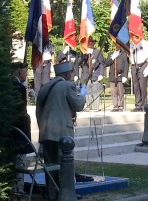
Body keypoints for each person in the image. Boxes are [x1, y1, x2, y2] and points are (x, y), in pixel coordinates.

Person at [36, 62, 86, 200]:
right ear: (66, 74)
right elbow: (78, 105)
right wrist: (82, 93)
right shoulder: (67, 85)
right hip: (62, 132)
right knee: (65, 166)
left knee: (50, 166)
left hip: (46, 132)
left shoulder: (45, 87)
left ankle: (52, 195)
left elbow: (38, 111)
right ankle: (66, 194)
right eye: (71, 72)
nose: (72, 75)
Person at [11, 62, 31, 194]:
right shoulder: (19, 88)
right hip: (19, 130)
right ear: (19, 72)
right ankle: (19, 187)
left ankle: (14, 187)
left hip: (13, 129)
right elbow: (21, 110)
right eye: (25, 71)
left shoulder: (9, 86)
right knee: (20, 161)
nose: (26, 74)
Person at [79, 38, 104, 111]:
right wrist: (85, 55)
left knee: (95, 91)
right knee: (88, 92)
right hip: (86, 75)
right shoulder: (84, 53)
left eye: (92, 43)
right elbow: (79, 62)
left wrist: (101, 74)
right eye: (89, 43)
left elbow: (101, 63)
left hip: (95, 74)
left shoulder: (97, 52)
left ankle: (95, 107)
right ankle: (89, 106)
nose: (90, 45)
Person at [130, 39, 148, 112]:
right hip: (134, 65)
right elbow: (129, 55)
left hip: (143, 65)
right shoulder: (132, 44)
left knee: (142, 86)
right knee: (136, 86)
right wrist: (130, 51)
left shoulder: (145, 43)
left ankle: (144, 105)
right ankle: (138, 105)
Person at [105, 44, 129, 112]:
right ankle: (115, 106)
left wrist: (125, 76)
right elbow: (106, 64)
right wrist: (112, 59)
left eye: (118, 45)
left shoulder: (124, 54)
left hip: (120, 76)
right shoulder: (110, 54)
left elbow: (126, 65)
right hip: (112, 76)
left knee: (120, 92)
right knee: (113, 92)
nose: (116, 46)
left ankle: (121, 106)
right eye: (115, 45)